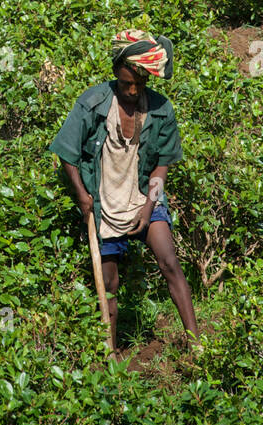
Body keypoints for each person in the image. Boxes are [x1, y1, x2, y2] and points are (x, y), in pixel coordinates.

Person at [49, 29, 199, 348]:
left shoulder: (160, 109)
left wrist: (148, 207)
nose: (132, 90)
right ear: (116, 72)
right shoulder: (93, 103)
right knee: (108, 283)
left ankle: (197, 343)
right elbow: (67, 152)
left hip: (144, 196)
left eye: (140, 85)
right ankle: (111, 354)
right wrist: (81, 196)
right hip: (103, 203)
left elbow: (162, 166)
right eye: (127, 83)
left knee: (169, 261)